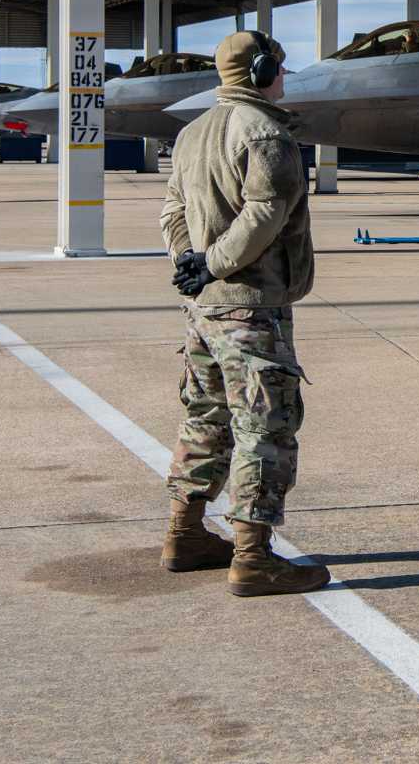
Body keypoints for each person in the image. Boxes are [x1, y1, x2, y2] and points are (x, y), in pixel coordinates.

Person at [158, 30, 329, 598]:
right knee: (265, 428)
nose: (283, 74)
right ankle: (254, 557)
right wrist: (214, 263)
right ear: (261, 71)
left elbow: (173, 210)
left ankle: (185, 534)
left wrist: (189, 260)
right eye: (278, 66)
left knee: (205, 416)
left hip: (203, 311)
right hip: (250, 306)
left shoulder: (191, 133)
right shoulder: (267, 135)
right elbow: (265, 215)